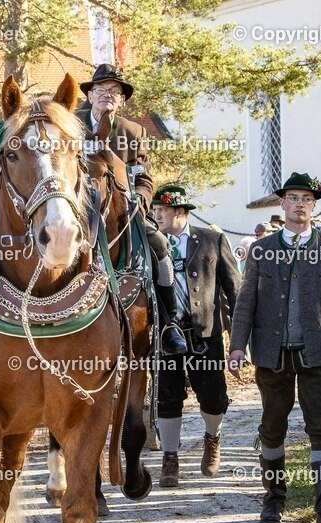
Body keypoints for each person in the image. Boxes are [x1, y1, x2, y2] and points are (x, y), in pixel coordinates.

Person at [228, 171, 321, 523]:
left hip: (316, 353)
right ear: (282, 203)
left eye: (307, 199)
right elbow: (246, 302)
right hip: (272, 354)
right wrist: (237, 346)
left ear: (314, 207)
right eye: (294, 198)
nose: (300, 205)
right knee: (272, 427)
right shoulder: (262, 249)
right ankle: (273, 498)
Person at [75, 63, 187, 355]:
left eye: (114, 91)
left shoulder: (133, 131)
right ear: (90, 95)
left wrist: (138, 200)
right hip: (75, 207)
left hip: (122, 209)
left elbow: (145, 178)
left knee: (160, 245)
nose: (107, 94)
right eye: (101, 89)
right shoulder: (70, 124)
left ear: (121, 99)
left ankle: (168, 324)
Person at [151, 184, 241, 487]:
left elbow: (235, 289)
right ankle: (170, 457)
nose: (156, 215)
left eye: (162, 210)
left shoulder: (212, 240)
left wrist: (240, 338)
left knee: (214, 397)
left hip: (206, 333)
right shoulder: (150, 243)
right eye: (155, 210)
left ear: (180, 212)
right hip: (166, 332)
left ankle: (212, 437)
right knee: (167, 397)